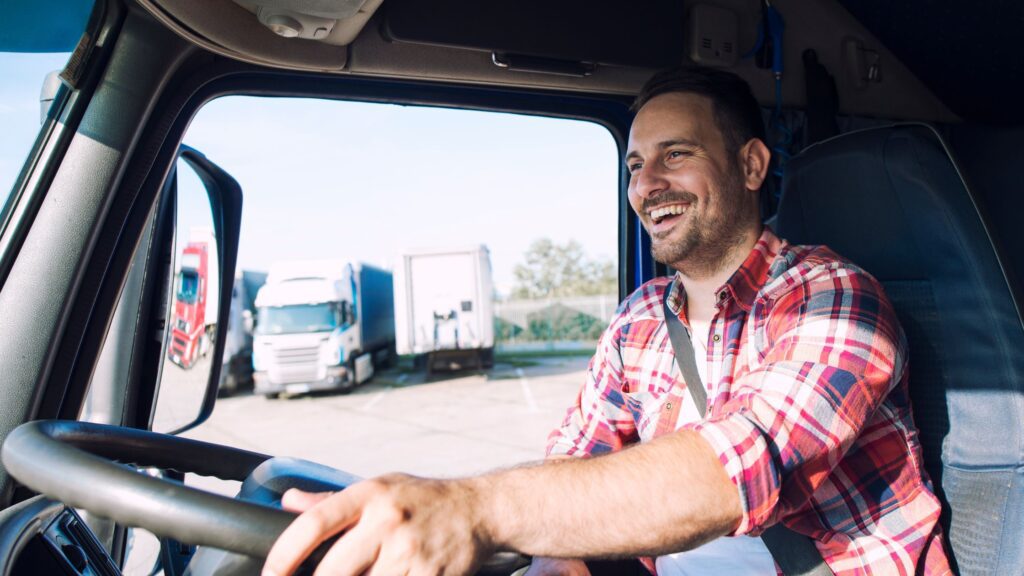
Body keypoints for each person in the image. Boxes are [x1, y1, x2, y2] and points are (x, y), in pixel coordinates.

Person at [262, 66, 951, 576]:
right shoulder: (640, 320)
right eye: (634, 165)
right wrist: (559, 563)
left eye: (675, 155)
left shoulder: (833, 296)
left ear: (749, 164)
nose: (647, 185)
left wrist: (470, 508)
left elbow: (737, 468)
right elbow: (577, 462)